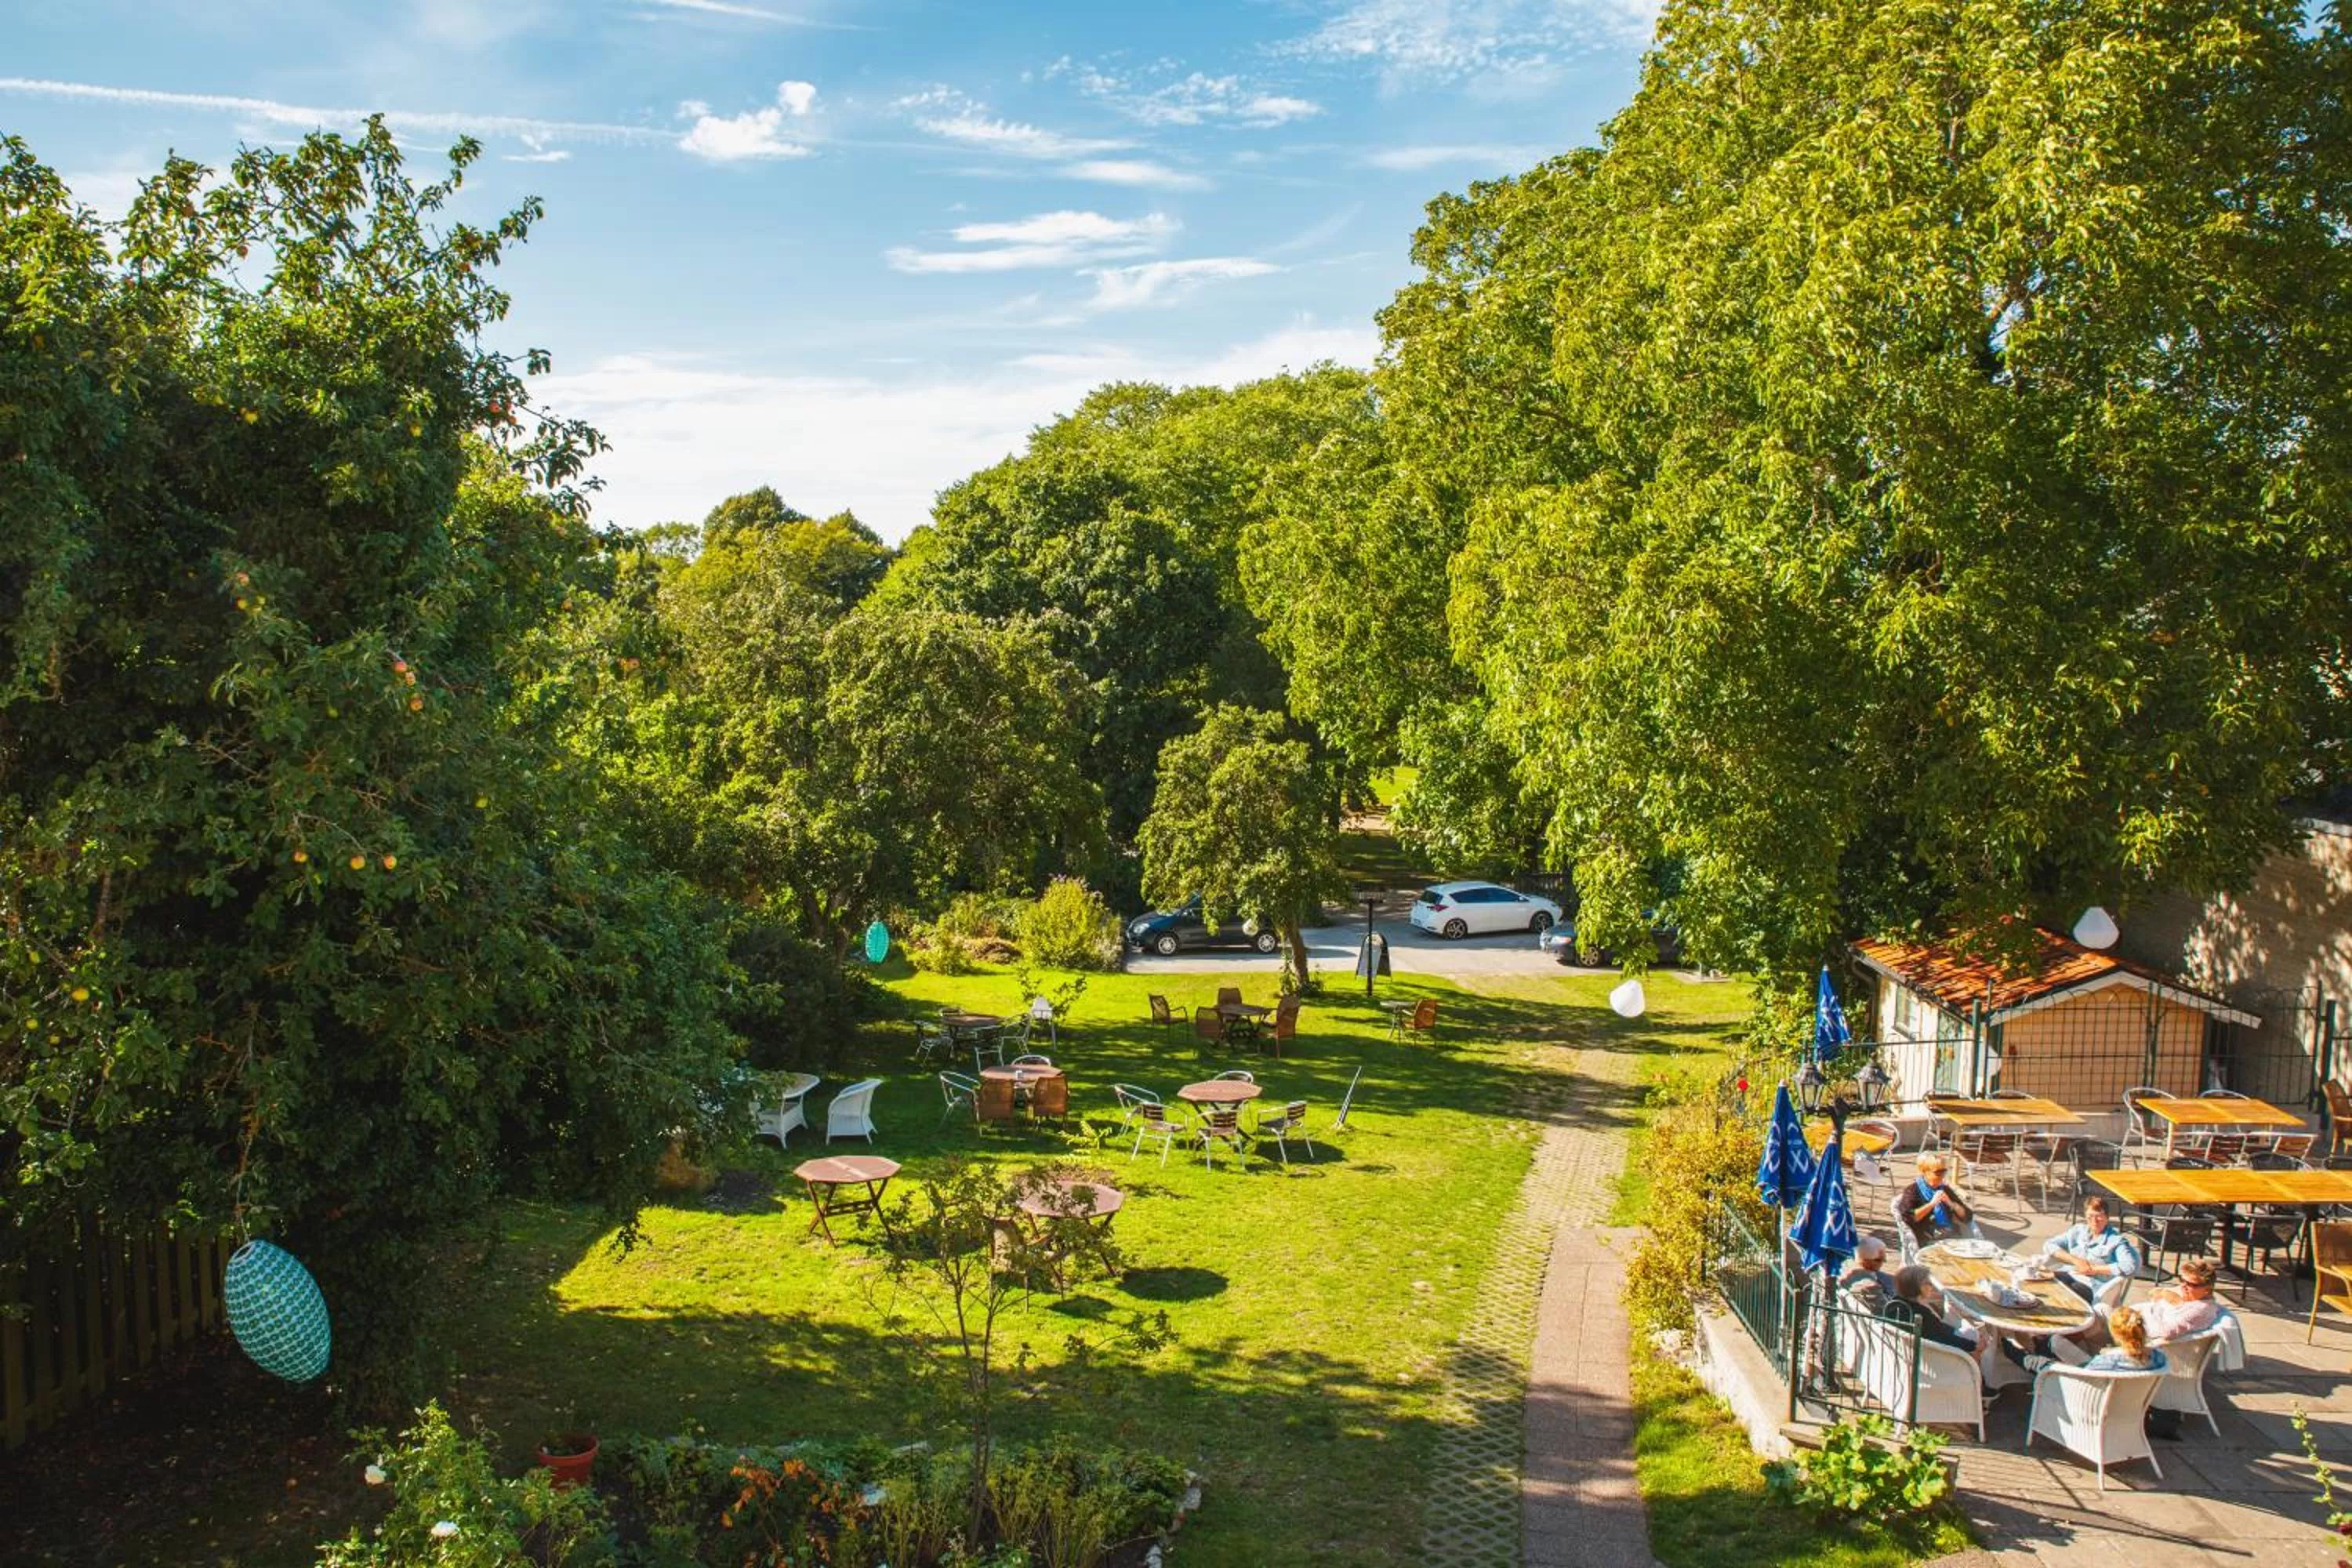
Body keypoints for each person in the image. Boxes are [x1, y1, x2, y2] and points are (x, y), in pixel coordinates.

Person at [2136, 1258, 2222, 1439]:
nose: (2183, 1287)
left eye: (2190, 1284)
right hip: (2154, 1343)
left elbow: (2163, 1331)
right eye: (2182, 1281)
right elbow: (2157, 1297)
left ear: (2207, 1288)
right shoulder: (2190, 1301)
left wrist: (2149, 1312)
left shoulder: (2200, 1309)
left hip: (2158, 1354)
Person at [2038, 1196, 2142, 1305]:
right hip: (2067, 1275)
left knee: (2059, 1295)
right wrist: (2076, 1261)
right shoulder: (2077, 1231)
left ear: (2107, 1217)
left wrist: (2093, 1269)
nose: (2094, 1221)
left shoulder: (2116, 1241)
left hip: (2090, 1286)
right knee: (2037, 1284)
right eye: (2090, 1216)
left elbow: (2130, 1266)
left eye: (2099, 1216)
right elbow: (2049, 1245)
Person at [1880, 1264, 1979, 1352]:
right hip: (1932, 1356)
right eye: (1928, 1283)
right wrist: (1973, 1346)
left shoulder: (1892, 1306)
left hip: (1904, 1352)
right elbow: (1944, 1339)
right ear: (1917, 1287)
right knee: (1974, 1334)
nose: (1932, 1286)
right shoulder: (1921, 1315)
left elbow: (1938, 1330)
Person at [1895, 1152, 1976, 1247]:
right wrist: (1932, 1204)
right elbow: (1908, 1218)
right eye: (1938, 1173)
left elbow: (1967, 1216)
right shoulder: (1913, 1191)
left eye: (1944, 1172)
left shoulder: (1944, 1189)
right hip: (1926, 1240)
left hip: (1951, 1238)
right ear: (1925, 1171)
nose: (1942, 1177)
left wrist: (1951, 1204)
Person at [1838, 1236, 1897, 1310]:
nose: (1883, 1262)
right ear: (1868, 1261)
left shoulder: (1846, 1276)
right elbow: (1886, 1313)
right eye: (1880, 1259)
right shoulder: (1871, 1287)